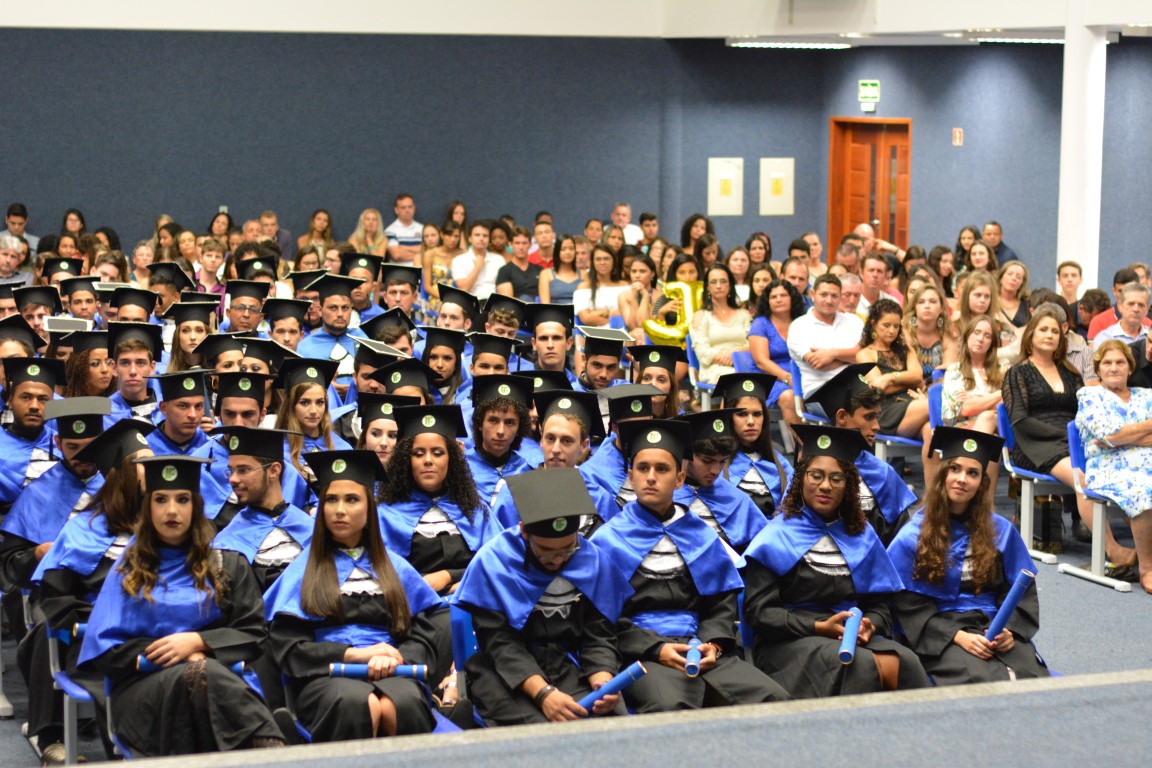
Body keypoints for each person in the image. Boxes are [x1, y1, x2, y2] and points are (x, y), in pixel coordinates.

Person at [77, 455, 284, 755]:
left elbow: (252, 634)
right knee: (201, 674)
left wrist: (198, 642)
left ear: (195, 506)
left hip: (219, 689)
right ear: (148, 507)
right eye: (161, 499)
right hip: (143, 694)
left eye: (182, 500)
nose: (172, 510)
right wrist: (181, 657)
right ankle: (273, 746)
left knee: (203, 677)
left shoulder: (227, 564)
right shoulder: (128, 571)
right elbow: (109, 652)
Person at [592, 419, 790, 712]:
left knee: (773, 699)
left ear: (680, 478)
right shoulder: (608, 540)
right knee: (671, 707)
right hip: (641, 654)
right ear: (630, 477)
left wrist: (713, 644)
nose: (651, 477)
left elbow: (720, 604)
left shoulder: (699, 534)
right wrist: (656, 648)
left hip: (699, 646)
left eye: (662, 469)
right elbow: (601, 619)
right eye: (643, 468)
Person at [263, 450, 445, 742]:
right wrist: (354, 655)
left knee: (400, 705)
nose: (339, 510)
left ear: (369, 508)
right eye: (331, 500)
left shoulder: (395, 568)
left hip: (393, 669)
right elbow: (290, 647)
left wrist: (394, 658)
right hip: (326, 675)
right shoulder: (303, 570)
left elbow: (422, 637)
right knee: (360, 705)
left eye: (351, 500)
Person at [742, 424, 930, 699]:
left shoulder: (861, 535)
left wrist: (870, 625)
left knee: (907, 662)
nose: (825, 486)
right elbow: (760, 613)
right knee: (861, 666)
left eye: (836, 478)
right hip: (789, 641)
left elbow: (880, 605)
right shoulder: (776, 536)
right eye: (816, 475)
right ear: (801, 478)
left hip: (848, 633)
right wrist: (819, 627)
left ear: (848, 485)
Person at [453, 469, 628, 725]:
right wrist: (544, 694)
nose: (557, 561)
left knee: (608, 723)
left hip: (566, 659)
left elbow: (598, 632)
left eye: (567, 549)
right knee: (543, 733)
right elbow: (499, 642)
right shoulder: (495, 563)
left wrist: (602, 677)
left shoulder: (590, 559)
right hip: (504, 670)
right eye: (546, 551)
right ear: (524, 531)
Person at [29, 421, 155, 763]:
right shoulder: (82, 531)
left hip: (159, 633)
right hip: (96, 640)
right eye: (144, 462)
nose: (156, 468)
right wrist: (106, 620)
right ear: (121, 476)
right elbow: (55, 600)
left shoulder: (166, 525)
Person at [888, 428, 1048, 683]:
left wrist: (1010, 630)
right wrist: (956, 635)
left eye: (972, 473)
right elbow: (905, 604)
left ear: (981, 483)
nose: (962, 479)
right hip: (940, 629)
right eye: (955, 469)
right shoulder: (913, 535)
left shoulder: (1001, 531)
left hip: (993, 623)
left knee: (1029, 676)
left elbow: (1019, 591)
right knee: (983, 679)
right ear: (943, 474)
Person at [1003, 306, 1132, 563]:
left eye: (1054, 331)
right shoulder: (1017, 373)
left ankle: (1144, 545)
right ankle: (1112, 550)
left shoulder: (1070, 371)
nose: (1049, 335)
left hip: (1074, 441)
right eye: (1043, 330)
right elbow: (1020, 420)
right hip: (1036, 445)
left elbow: (1084, 412)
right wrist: (1067, 436)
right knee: (1083, 480)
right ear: (1031, 335)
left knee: (1121, 474)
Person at [378, 405, 494, 596]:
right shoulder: (385, 515)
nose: (428, 460)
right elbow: (383, 574)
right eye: (418, 453)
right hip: (415, 605)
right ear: (406, 461)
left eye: (438, 453)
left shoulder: (475, 510)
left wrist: (449, 577)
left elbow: (496, 563)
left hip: (471, 601)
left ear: (451, 459)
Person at [805, 364, 920, 544]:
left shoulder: (882, 473)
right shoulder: (808, 469)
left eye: (877, 417)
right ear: (842, 417)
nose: (877, 426)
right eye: (868, 417)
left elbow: (900, 538)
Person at [1075, 340, 1152, 591]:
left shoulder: (1146, 395)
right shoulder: (1089, 396)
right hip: (1109, 468)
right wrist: (1145, 428)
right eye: (1107, 363)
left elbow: (1114, 437)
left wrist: (1121, 437)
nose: (1114, 367)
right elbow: (1108, 434)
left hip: (1147, 463)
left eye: (1120, 362)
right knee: (1143, 490)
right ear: (1098, 369)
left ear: (1130, 367)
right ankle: (1148, 569)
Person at [673, 409, 768, 553]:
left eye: (723, 461)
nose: (716, 470)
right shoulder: (665, 495)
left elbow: (760, 548)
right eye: (707, 461)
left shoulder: (735, 499)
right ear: (686, 455)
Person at [714, 373, 794, 517]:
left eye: (757, 414)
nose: (751, 422)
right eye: (742, 414)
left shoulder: (781, 464)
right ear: (729, 418)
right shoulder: (715, 463)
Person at [787, 274, 863, 404]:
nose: (829, 300)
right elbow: (819, 364)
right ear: (812, 294)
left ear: (840, 297)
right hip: (819, 392)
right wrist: (852, 359)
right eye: (823, 295)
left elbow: (866, 355)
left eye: (834, 296)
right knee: (858, 408)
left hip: (855, 387)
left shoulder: (854, 321)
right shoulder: (798, 326)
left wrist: (833, 354)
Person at [748, 278, 802, 420]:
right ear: (767, 301)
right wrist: (788, 378)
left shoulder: (801, 322)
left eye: (783, 295)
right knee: (789, 396)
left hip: (799, 374)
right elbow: (761, 362)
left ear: (792, 298)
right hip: (769, 378)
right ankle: (802, 436)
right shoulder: (760, 324)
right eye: (773, 297)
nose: (778, 300)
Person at [690, 264, 751, 385]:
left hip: (744, 364)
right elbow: (703, 353)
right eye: (713, 282)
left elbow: (754, 344)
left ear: (730, 285)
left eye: (723, 281)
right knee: (739, 380)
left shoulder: (744, 315)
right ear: (707, 287)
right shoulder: (700, 316)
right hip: (713, 368)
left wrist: (735, 354)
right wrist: (728, 357)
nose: (718, 286)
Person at [573, 243, 628, 327]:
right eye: (598, 259)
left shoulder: (624, 286)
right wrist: (616, 316)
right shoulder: (583, 287)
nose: (602, 262)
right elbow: (585, 318)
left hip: (622, 330)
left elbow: (629, 314)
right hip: (592, 332)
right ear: (592, 262)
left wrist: (602, 313)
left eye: (606, 259)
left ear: (613, 261)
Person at [451, 222, 504, 300]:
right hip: (468, 302)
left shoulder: (499, 259)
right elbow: (464, 289)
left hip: (492, 302)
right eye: (477, 235)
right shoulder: (458, 260)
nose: (481, 238)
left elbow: (503, 289)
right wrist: (478, 266)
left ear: (489, 239)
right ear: (470, 238)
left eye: (485, 236)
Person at [496, 226, 542, 301]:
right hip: (516, 307)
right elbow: (508, 301)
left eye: (524, 243)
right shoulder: (504, 271)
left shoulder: (540, 270)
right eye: (517, 243)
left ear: (530, 245)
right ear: (510, 244)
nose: (521, 247)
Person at [538, 234, 582, 305]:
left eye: (571, 249)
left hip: (579, 311)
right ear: (557, 251)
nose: (568, 252)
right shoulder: (546, 274)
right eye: (563, 249)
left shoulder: (584, 274)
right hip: (554, 311)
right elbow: (545, 306)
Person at [384, 194, 422, 264]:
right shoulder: (390, 231)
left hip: (422, 270)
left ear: (414, 208)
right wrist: (421, 254)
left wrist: (404, 247)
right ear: (396, 210)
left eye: (410, 207)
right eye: (403, 208)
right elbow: (396, 255)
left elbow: (431, 251)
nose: (407, 210)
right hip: (399, 270)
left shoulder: (423, 229)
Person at [996, 261, 1030, 333]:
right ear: (1001, 278)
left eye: (1019, 277)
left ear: (1022, 283)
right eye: (1010, 274)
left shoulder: (1028, 303)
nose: (1013, 278)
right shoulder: (991, 301)